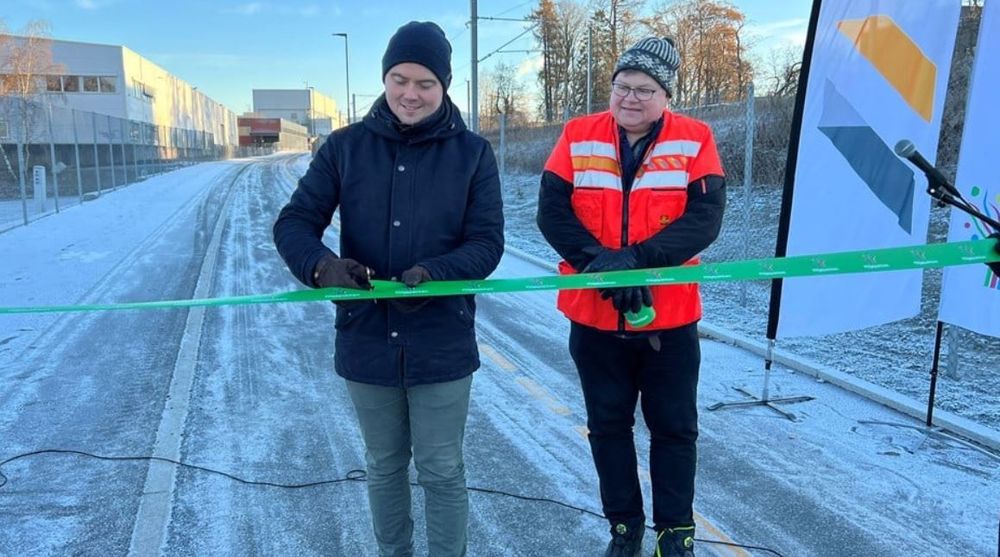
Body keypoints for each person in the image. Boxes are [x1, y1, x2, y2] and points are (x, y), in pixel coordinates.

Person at [273, 21, 503, 557]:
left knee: (442, 468)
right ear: (385, 79)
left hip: (441, 340)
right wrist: (321, 267)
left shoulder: (472, 154)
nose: (410, 93)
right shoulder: (346, 147)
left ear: (444, 86)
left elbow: (487, 243)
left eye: (425, 82)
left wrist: (438, 273)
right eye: (399, 79)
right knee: (383, 465)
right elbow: (294, 222)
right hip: (366, 336)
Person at [537, 36, 726, 557]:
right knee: (607, 429)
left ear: (667, 95)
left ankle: (675, 535)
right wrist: (600, 267)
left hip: (670, 320)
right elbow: (552, 212)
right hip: (595, 319)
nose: (630, 98)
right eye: (622, 86)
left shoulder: (695, 138)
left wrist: (637, 261)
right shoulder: (577, 135)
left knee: (674, 431)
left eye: (645, 89)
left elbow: (704, 220)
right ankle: (624, 529)